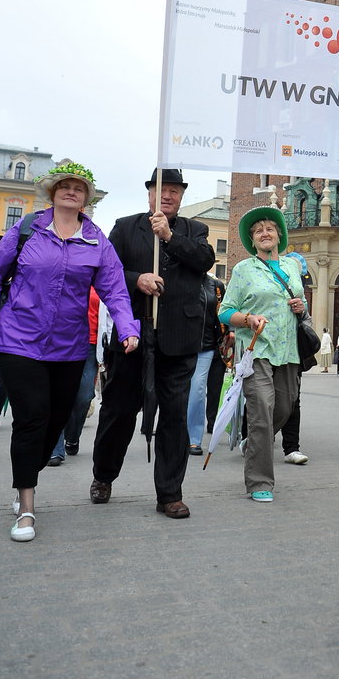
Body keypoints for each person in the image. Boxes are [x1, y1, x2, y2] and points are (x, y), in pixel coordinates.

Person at [0, 164, 138, 542]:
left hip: (68, 345)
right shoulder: (26, 230)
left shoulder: (96, 241)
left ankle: (26, 474)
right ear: (53, 192)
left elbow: (115, 290)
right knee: (31, 417)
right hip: (18, 339)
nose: (71, 191)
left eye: (79, 188)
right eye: (65, 185)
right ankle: (27, 506)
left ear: (86, 198)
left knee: (56, 419)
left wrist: (128, 328)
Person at [90, 168, 214, 519]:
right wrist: (137, 279)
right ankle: (103, 475)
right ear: (149, 194)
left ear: (181, 196)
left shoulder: (194, 229)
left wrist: (170, 236)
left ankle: (170, 494)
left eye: (174, 190)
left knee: (174, 416)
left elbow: (204, 261)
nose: (168, 196)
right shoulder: (126, 227)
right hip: (132, 335)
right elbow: (104, 271)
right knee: (119, 411)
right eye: (161, 190)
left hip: (179, 339)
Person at [218, 206, 305, 502]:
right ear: (252, 241)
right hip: (258, 350)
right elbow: (225, 310)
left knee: (284, 407)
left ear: (279, 235)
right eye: (258, 231)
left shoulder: (293, 267)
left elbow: (300, 301)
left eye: (270, 228)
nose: (265, 233)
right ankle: (259, 481)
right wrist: (248, 319)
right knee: (261, 412)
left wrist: (300, 306)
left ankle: (255, 442)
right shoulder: (244, 270)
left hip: (289, 351)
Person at [48, 287, 102, 465]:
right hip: (60, 340)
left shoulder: (100, 276)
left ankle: (72, 435)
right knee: (56, 394)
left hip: (90, 344)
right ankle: (54, 449)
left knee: (84, 395)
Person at [187, 273, 226, 456]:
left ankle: (193, 439)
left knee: (197, 390)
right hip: (178, 345)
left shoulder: (216, 285)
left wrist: (230, 333)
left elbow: (224, 310)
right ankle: (174, 433)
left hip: (206, 346)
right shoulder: (175, 277)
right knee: (176, 392)